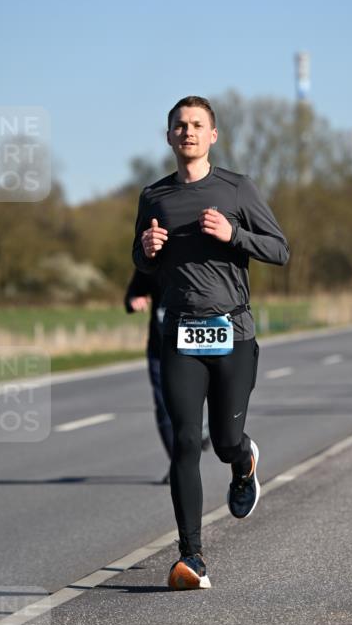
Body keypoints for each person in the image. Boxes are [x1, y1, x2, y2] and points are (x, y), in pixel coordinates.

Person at [132, 95, 289, 589]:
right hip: (178, 333)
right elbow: (142, 262)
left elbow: (280, 250)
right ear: (169, 136)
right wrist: (145, 251)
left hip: (233, 332)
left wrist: (234, 233)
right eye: (180, 126)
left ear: (213, 135)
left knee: (222, 442)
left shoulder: (237, 189)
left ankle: (244, 462)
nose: (188, 133)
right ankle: (192, 557)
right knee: (183, 442)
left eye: (197, 125)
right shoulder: (154, 197)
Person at [124, 269, 210, 483]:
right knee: (163, 407)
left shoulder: (198, 260)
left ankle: (202, 429)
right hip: (160, 349)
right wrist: (134, 299)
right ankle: (178, 467)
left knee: (191, 400)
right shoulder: (152, 260)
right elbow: (133, 291)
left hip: (193, 346)